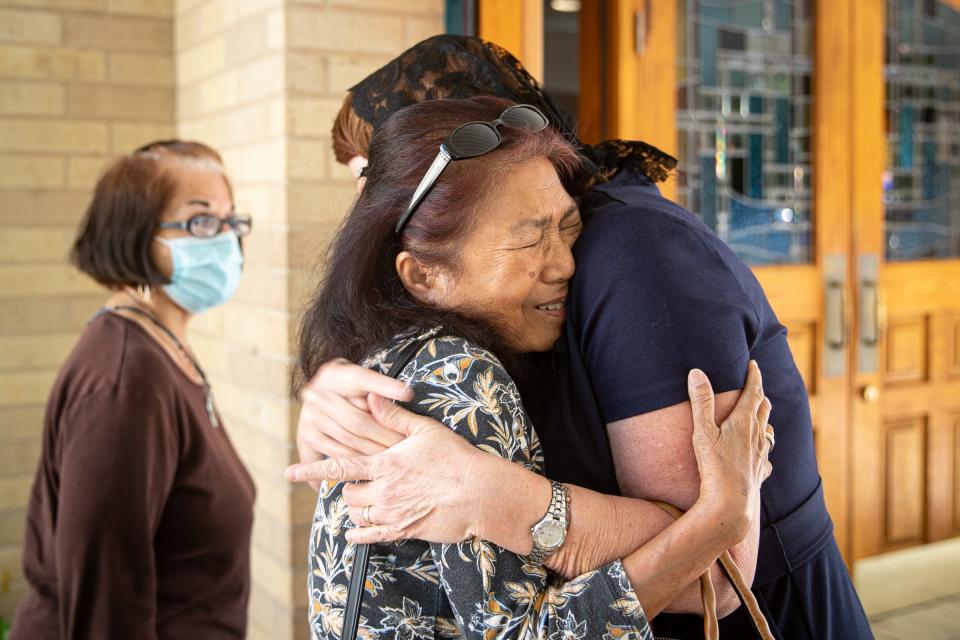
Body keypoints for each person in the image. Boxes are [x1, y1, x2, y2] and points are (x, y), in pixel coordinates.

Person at [287, 35, 873, 639]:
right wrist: (336, 409)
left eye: (372, 172)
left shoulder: (633, 252)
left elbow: (717, 580)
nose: (367, 206)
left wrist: (500, 497)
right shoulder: (444, 345)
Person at [12, 140, 256, 640]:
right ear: (136, 236)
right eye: (200, 221)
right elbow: (107, 604)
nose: (225, 239)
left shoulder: (162, 347)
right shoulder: (127, 379)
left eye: (230, 220)